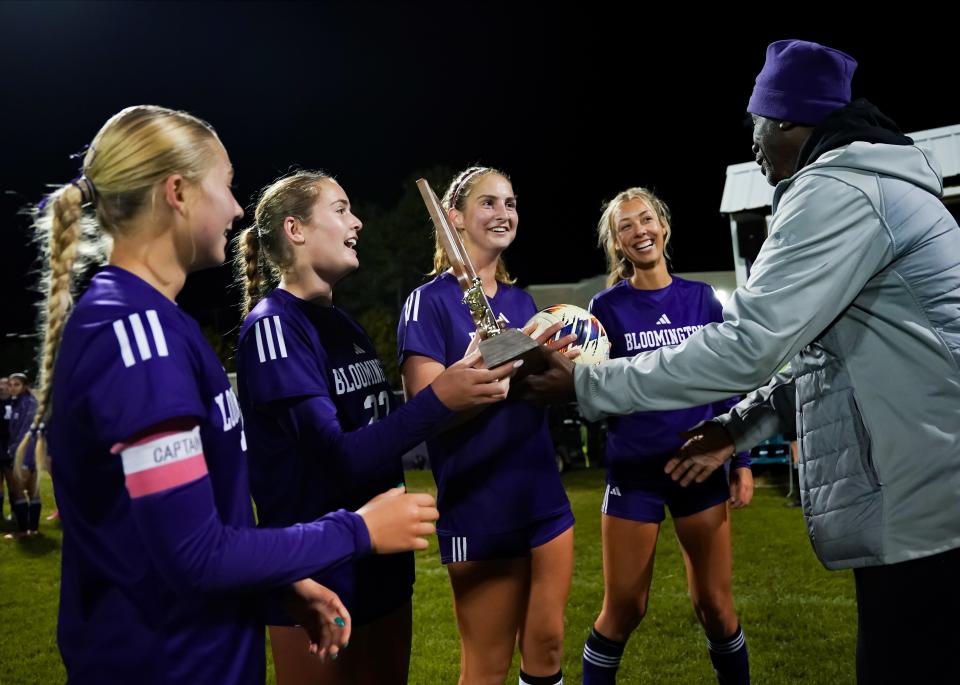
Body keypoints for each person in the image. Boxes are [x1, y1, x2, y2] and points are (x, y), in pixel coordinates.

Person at [519, 39, 960, 683]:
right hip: (924, 494)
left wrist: (586, 383)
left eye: (756, 121)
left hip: (930, 502)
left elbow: (748, 346)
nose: (753, 142)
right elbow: (817, 359)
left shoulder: (836, 190)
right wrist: (736, 428)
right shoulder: (864, 183)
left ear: (785, 119)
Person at [33, 105, 439, 684]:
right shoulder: (136, 335)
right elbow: (193, 554)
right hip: (164, 664)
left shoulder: (162, 325)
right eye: (224, 186)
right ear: (177, 192)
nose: (235, 208)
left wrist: (279, 577)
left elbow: (197, 522)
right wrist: (359, 530)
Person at [234, 170, 518, 685]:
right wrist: (441, 399)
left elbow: (381, 432)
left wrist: (486, 370)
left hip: (382, 566)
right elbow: (336, 458)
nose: (357, 222)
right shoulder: (275, 327)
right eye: (341, 210)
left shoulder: (346, 326)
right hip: (318, 571)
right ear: (295, 229)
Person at [399, 166, 575, 685]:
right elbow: (424, 406)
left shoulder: (522, 303)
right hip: (480, 505)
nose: (505, 213)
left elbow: (543, 392)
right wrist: (506, 367)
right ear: (454, 218)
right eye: (489, 203)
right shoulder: (427, 302)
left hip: (543, 499)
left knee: (548, 645)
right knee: (486, 666)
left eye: (511, 203)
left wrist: (565, 368)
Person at [581, 187, 752, 684]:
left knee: (716, 607)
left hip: (698, 467)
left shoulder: (699, 298)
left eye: (646, 219)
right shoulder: (605, 307)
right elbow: (597, 386)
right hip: (634, 471)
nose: (640, 231)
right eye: (627, 226)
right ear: (617, 242)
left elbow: (728, 383)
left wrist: (739, 460)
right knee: (625, 609)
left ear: (664, 226)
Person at [6, 373, 39, 538]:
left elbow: (24, 433)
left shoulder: (28, 403)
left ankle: (23, 531)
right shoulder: (20, 402)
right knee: (33, 491)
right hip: (31, 454)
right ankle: (33, 530)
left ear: (24, 386)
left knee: (18, 491)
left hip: (24, 454)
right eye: (10, 384)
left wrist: (12, 451)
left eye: (16, 384)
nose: (12, 388)